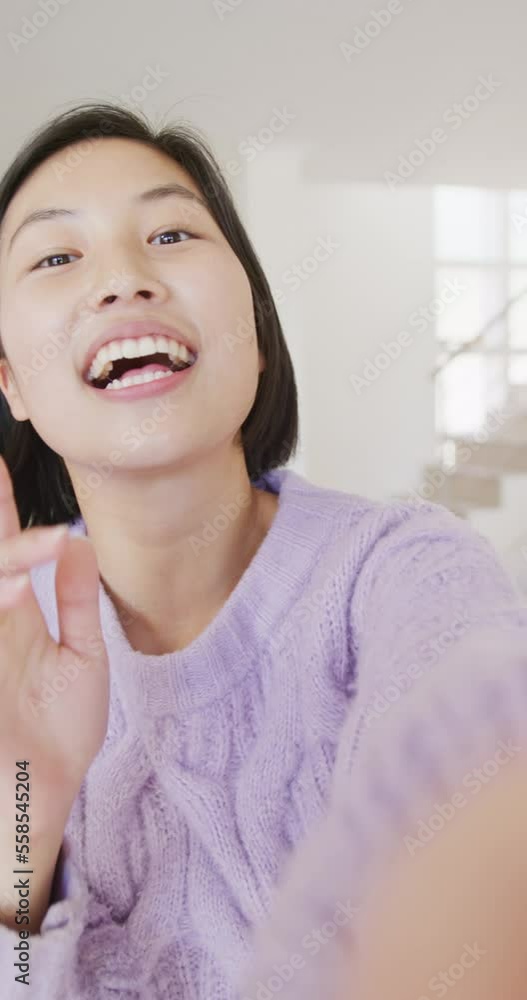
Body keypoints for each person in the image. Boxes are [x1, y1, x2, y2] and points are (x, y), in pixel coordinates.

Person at [0, 102, 526, 999]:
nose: (124, 278)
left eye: (170, 234)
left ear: (254, 324)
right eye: (57, 256)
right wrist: (25, 815)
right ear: (8, 378)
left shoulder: (405, 574)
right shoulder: (11, 639)